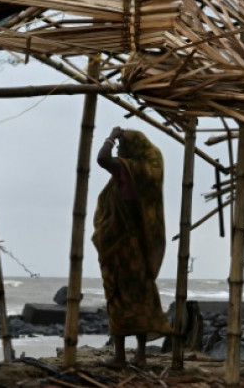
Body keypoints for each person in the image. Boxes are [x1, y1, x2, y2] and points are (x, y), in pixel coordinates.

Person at [92, 127, 173, 369]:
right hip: (140, 248)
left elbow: (101, 159)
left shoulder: (129, 170)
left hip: (119, 248)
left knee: (116, 296)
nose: (119, 150)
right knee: (140, 297)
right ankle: (141, 355)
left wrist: (112, 135)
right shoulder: (149, 171)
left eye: (122, 146)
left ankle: (119, 356)